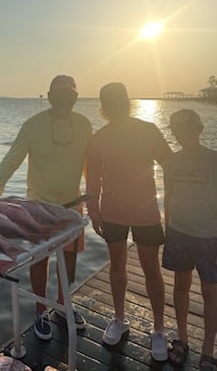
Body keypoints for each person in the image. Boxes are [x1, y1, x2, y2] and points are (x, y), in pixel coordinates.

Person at [0, 75, 92, 340]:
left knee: (69, 259)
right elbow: (13, 158)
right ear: (48, 95)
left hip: (72, 207)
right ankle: (40, 310)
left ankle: (63, 305)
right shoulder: (33, 125)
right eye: (59, 93)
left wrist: (96, 192)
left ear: (76, 96)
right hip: (38, 207)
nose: (64, 98)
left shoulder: (83, 124)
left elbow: (89, 163)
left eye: (69, 93)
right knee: (40, 259)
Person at [86, 82, 173, 361]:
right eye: (110, 103)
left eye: (119, 102)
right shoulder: (98, 138)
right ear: (105, 107)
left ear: (127, 103)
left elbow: (170, 164)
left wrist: (174, 206)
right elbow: (92, 178)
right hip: (111, 212)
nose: (115, 107)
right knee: (117, 265)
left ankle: (159, 329)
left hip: (146, 211)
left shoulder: (148, 130)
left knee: (151, 268)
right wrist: (93, 208)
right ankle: (120, 319)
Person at [162, 109, 217, 370]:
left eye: (188, 129)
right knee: (181, 285)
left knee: (210, 292)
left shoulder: (213, 159)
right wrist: (167, 226)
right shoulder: (171, 161)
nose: (183, 135)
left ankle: (208, 349)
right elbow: (169, 195)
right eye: (177, 130)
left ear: (199, 130)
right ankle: (182, 338)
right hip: (178, 232)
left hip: (210, 236)